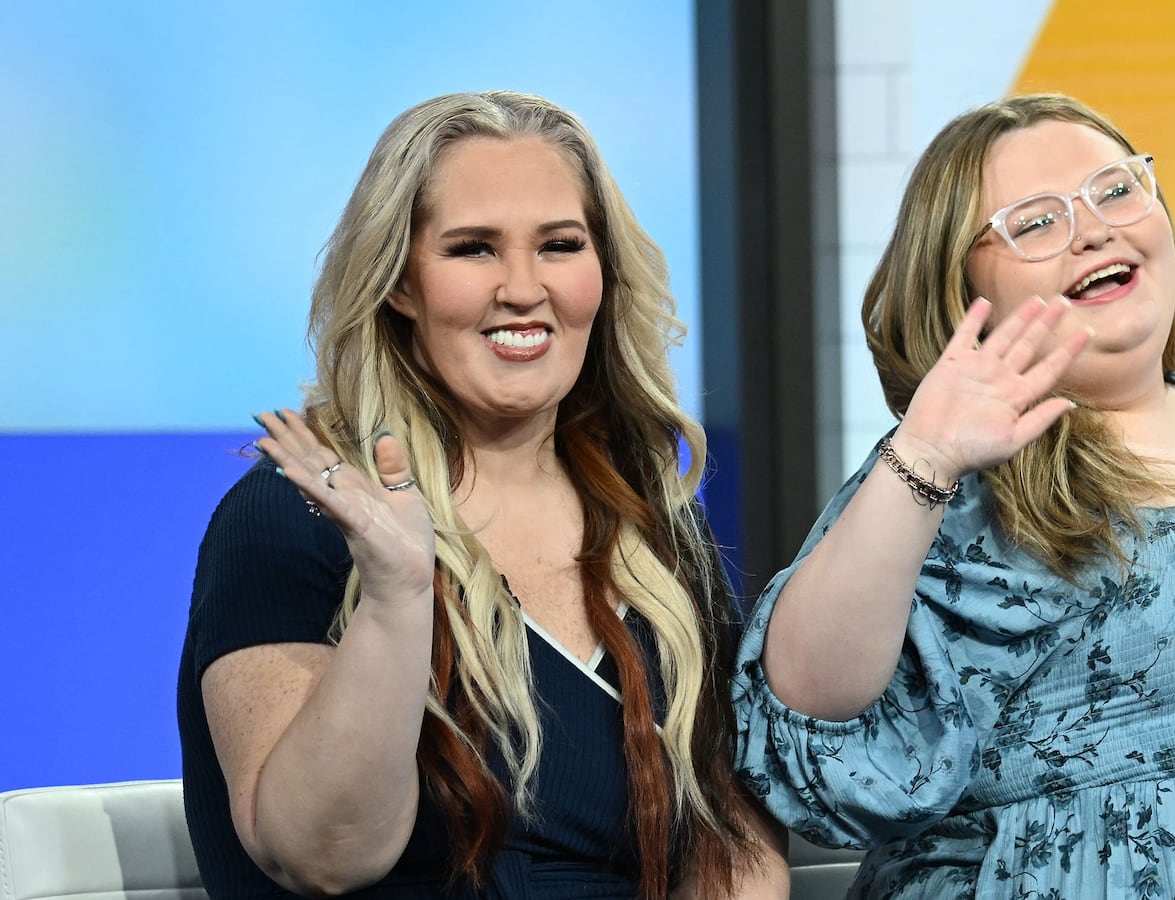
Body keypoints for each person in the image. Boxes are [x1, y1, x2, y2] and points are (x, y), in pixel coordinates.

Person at [731, 93, 1175, 898]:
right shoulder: (959, 470)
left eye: (1115, 190)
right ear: (961, 288)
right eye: (1035, 223)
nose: (1092, 230)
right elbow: (810, 703)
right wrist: (926, 456)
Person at [177, 90, 787, 899]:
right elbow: (320, 855)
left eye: (560, 245)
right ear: (401, 283)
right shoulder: (293, 518)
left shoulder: (653, 524)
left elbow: (732, 837)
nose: (523, 288)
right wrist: (396, 601)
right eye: (473, 249)